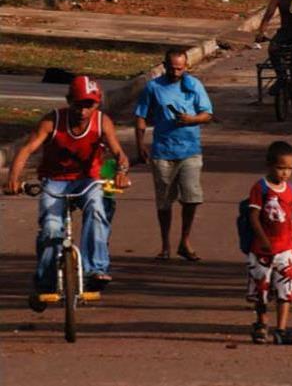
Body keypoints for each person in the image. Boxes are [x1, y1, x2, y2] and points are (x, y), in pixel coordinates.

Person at [6, 75, 130, 309]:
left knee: (96, 209)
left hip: (88, 181)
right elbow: (26, 149)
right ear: (68, 101)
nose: (83, 111)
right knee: (51, 228)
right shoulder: (52, 121)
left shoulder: (102, 122)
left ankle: (96, 269)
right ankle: (46, 282)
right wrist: (13, 179)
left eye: (89, 105)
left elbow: (119, 153)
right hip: (55, 182)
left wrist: (122, 172)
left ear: (97, 104)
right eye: (78, 103)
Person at [134, 47, 213, 261]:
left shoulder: (194, 85)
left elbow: (207, 114)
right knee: (164, 202)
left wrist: (192, 120)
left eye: (180, 68)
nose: (176, 72)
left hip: (190, 150)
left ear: (186, 67)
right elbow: (140, 116)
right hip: (162, 152)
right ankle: (165, 244)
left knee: (192, 198)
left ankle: (184, 240)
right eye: (172, 68)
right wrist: (140, 144)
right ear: (164, 65)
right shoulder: (153, 88)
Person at [246, 141, 292, 345]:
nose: (285, 173)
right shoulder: (260, 188)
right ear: (269, 165)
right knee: (261, 290)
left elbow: (290, 218)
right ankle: (261, 323)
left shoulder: (290, 189)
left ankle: (281, 328)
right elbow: (253, 217)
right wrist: (263, 240)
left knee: (286, 290)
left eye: (289, 168)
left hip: (285, 249)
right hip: (262, 250)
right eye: (281, 167)